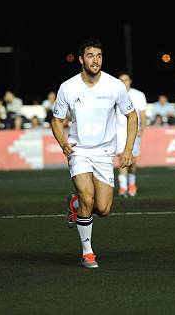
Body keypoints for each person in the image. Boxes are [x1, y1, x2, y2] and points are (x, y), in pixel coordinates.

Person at [51, 39, 137, 269]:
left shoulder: (115, 85)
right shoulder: (68, 87)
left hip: (105, 153)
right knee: (89, 197)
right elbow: (56, 120)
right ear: (81, 59)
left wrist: (127, 149)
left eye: (99, 55)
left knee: (104, 209)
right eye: (90, 55)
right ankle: (87, 252)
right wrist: (63, 143)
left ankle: (75, 203)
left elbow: (132, 115)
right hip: (78, 151)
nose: (95, 60)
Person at [115, 72, 148, 197]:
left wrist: (142, 127)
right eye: (121, 80)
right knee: (122, 158)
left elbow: (143, 113)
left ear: (130, 81)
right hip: (119, 130)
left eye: (126, 80)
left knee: (132, 160)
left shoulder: (138, 95)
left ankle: (132, 184)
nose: (124, 82)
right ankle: (123, 187)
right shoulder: (114, 95)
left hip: (134, 130)